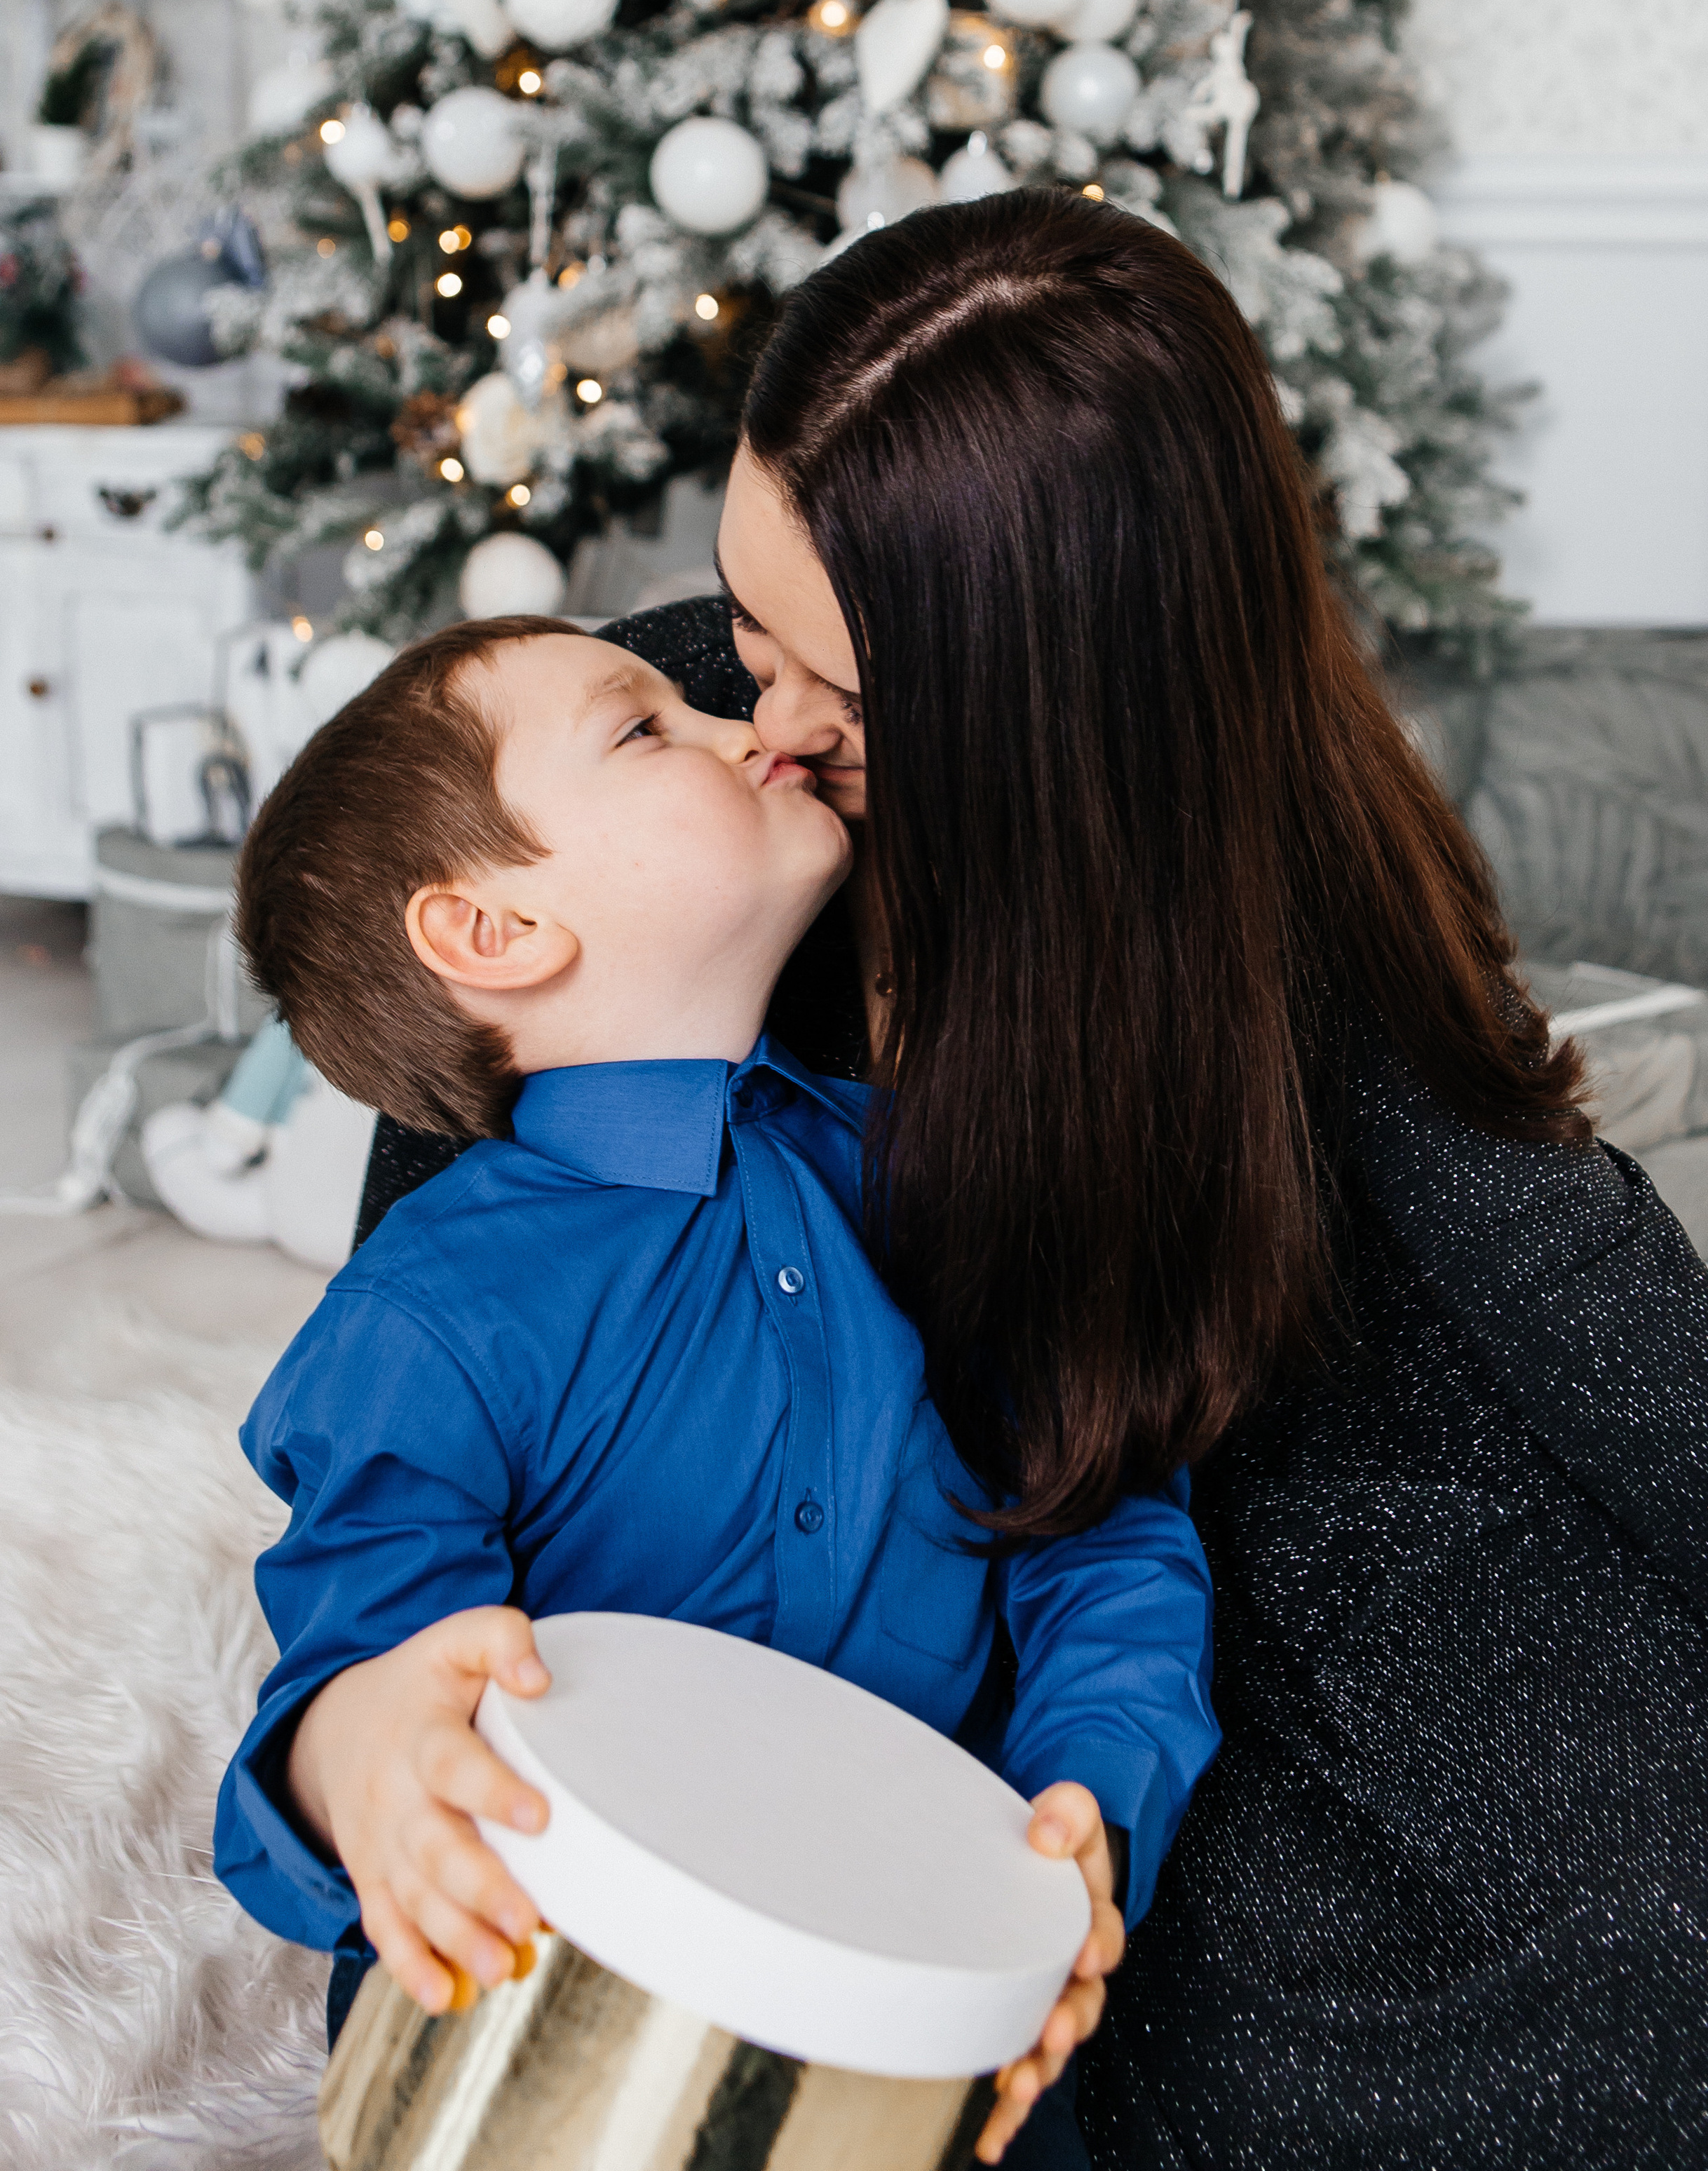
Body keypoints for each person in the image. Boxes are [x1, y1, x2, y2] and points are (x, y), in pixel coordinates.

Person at [359, 188, 1708, 2164]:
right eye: (742, 619)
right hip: (875, 1565)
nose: (757, 726)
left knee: (1679, 1953)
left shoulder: (1267, 868)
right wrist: (386, 1733)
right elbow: (439, 1354)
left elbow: (1578, 1292)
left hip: (1196, 1493)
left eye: (838, 691)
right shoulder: (653, 761)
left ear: (1058, 717)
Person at [215, 614, 1218, 2167]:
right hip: (553, 2033)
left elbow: (1100, 1520)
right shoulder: (435, 1309)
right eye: (645, 727)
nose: (741, 716)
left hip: (915, 1990)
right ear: (492, 932)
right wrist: (366, 1754)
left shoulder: (931, 1190)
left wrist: (1094, 1790)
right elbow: (361, 1658)